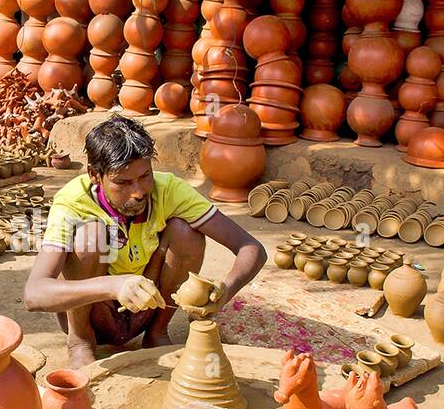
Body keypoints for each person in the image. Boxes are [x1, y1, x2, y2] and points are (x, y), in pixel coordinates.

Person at [24, 115, 266, 369]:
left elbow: (251, 248)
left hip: (146, 308)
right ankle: (80, 342)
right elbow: (34, 294)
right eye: (123, 182)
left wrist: (226, 289)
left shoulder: (168, 190)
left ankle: (157, 333)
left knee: (186, 231)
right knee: (90, 236)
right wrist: (113, 286)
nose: (138, 191)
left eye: (145, 176)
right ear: (95, 175)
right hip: (94, 312)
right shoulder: (73, 202)